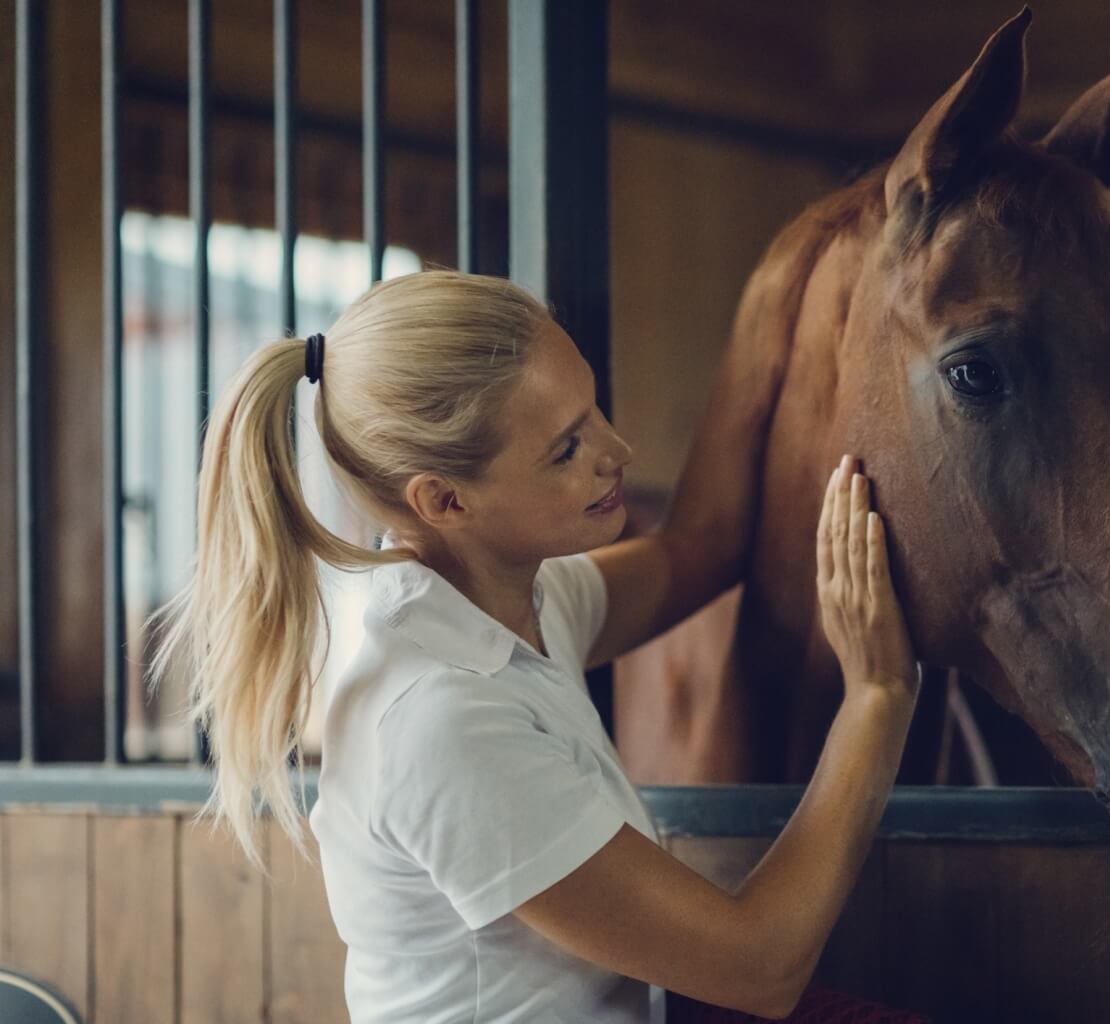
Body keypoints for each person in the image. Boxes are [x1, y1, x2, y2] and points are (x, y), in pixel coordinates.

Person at [149, 270, 926, 1022]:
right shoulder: (440, 718)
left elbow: (699, 547)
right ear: (445, 500)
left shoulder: (516, 599)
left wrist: (776, 294)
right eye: (566, 449)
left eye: (593, 412)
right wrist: (878, 698)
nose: (616, 450)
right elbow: (761, 969)